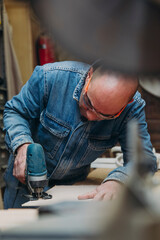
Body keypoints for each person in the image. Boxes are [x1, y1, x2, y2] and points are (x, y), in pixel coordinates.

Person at [3, 61, 157, 208]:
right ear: (89, 75)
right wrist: (22, 145)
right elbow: (15, 111)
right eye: (88, 102)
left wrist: (119, 181)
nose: (90, 116)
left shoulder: (133, 110)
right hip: (23, 185)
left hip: (72, 187)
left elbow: (144, 161)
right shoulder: (49, 77)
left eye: (104, 116)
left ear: (126, 105)